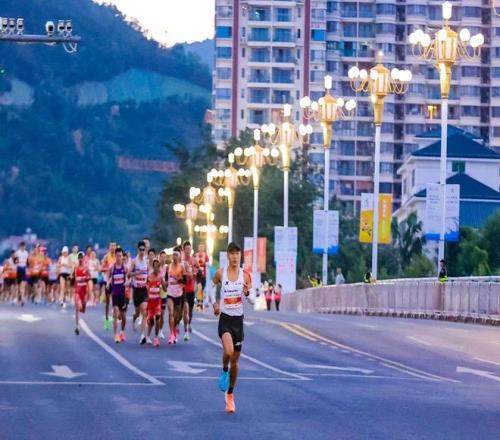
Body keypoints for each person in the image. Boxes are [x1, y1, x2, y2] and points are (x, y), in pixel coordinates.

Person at [212, 242, 253, 414]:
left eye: (237, 254)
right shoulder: (221, 273)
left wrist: (247, 293)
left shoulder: (246, 276)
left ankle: (230, 394)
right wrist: (214, 303)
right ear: (228, 256)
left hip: (238, 322)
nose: (235, 257)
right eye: (232, 254)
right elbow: (211, 286)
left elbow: (253, 301)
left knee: (235, 361)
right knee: (228, 352)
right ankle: (224, 370)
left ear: (240, 256)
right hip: (225, 319)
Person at [129, 241, 149, 344]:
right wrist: (135, 273)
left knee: (144, 312)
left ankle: (142, 336)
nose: (141, 251)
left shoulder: (147, 261)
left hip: (144, 290)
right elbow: (128, 274)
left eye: (143, 250)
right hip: (136, 290)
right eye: (140, 249)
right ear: (138, 250)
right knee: (137, 313)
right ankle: (134, 319)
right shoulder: (134, 261)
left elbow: (149, 274)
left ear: (145, 250)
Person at [166, 246, 186, 345]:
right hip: (170, 292)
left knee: (177, 316)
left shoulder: (182, 267)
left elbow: (185, 281)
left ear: (179, 256)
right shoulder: (168, 267)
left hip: (179, 293)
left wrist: (179, 279)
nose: (174, 257)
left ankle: (174, 329)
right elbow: (166, 280)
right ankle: (171, 335)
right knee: (171, 313)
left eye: (176, 255)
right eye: (173, 255)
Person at [107, 247, 127, 344]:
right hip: (115, 293)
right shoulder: (112, 267)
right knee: (115, 313)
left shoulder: (125, 267)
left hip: (123, 295)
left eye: (120, 256)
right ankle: (116, 335)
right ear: (115, 256)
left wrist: (127, 282)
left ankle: (122, 331)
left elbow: (128, 278)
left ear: (122, 256)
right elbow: (109, 277)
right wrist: (108, 283)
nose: (119, 258)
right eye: (117, 256)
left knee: (123, 316)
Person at [146, 259, 167, 347]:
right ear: (153, 267)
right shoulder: (149, 277)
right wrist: (146, 299)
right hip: (150, 301)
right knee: (151, 321)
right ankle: (147, 336)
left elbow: (165, 289)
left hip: (158, 300)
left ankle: (156, 338)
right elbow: (146, 288)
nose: (156, 268)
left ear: (159, 267)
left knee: (158, 317)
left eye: (157, 266)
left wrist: (165, 284)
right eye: (154, 266)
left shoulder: (160, 277)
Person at [182, 240, 198, 340]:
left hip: (191, 289)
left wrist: (195, 272)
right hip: (182, 289)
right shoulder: (181, 260)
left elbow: (198, 269)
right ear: (183, 250)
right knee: (185, 310)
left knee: (190, 311)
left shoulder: (194, 260)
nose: (188, 251)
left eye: (189, 249)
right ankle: (185, 328)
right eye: (186, 249)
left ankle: (189, 324)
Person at [101, 242, 117, 330]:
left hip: (116, 282)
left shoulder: (118, 256)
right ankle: (106, 320)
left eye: (114, 246)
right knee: (107, 302)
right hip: (107, 281)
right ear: (109, 247)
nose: (113, 247)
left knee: (115, 301)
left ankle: (115, 319)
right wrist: (109, 269)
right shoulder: (106, 257)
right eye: (111, 246)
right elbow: (101, 268)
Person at [73, 252, 89, 335]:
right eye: (79, 257)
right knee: (78, 308)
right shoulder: (75, 268)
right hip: (77, 291)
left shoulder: (86, 268)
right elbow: (73, 278)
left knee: (83, 308)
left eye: (81, 257)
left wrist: (85, 278)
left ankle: (82, 308)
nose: (80, 259)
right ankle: (77, 326)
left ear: (83, 258)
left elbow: (89, 277)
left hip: (84, 291)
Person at [195, 243, 209, 310]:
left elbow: (208, 263)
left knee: (201, 290)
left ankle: (200, 302)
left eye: (202, 247)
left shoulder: (205, 255)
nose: (201, 248)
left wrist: (203, 263)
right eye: (200, 247)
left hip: (204, 275)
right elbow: (193, 263)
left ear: (203, 248)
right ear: (198, 248)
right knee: (199, 288)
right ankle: (199, 303)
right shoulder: (196, 255)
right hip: (198, 275)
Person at [158, 250, 168, 340]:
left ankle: (160, 331)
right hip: (155, 293)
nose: (163, 259)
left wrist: (164, 283)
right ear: (159, 257)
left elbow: (168, 281)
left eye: (165, 257)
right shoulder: (156, 267)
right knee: (155, 314)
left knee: (162, 313)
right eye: (162, 257)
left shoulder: (167, 268)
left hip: (163, 292)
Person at [15, 242, 29, 306]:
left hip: (24, 270)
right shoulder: (17, 253)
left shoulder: (26, 253)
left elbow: (28, 262)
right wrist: (16, 261)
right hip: (19, 269)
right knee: (18, 286)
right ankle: (18, 297)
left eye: (24, 246)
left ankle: (23, 299)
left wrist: (27, 268)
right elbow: (15, 261)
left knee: (23, 286)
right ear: (20, 247)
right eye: (22, 246)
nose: (23, 247)